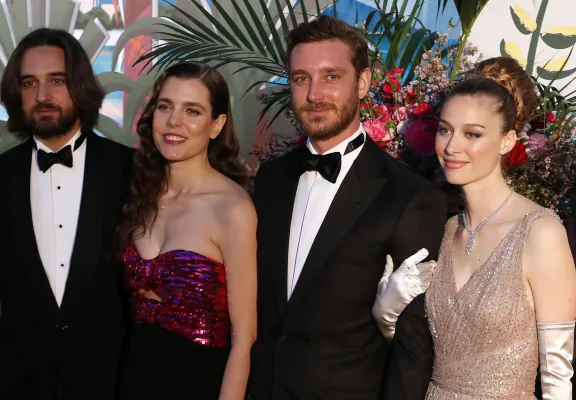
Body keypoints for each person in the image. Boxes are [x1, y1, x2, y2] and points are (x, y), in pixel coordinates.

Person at [249, 15, 447, 400]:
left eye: (331, 76)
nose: (314, 94)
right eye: (301, 78)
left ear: (363, 82)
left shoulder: (409, 196)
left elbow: (413, 349)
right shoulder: (272, 178)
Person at [375, 57, 576, 400]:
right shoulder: (442, 231)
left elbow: (557, 377)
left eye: (472, 134)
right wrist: (386, 308)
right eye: (445, 129)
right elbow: (412, 347)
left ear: (507, 141)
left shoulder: (540, 233)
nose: (452, 146)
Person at [0, 28, 134, 399]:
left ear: (79, 85)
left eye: (56, 80)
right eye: (29, 83)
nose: (42, 96)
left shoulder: (131, 171)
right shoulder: (2, 176)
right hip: (19, 382)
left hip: (110, 380)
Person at [116, 61, 256, 399]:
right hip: (134, 380)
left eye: (192, 110)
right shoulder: (139, 195)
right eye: (165, 106)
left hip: (199, 383)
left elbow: (245, 340)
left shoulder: (232, 208)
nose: (174, 121)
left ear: (216, 125)